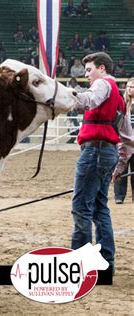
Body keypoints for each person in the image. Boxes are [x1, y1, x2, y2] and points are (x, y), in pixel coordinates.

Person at [71, 52, 134, 274]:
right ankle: (106, 265)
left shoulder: (103, 85)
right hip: (107, 154)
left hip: (94, 153)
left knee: (81, 208)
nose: (87, 75)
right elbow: (128, 139)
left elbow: (88, 99)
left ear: (102, 69)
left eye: (89, 70)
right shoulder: (119, 97)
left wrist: (63, 95)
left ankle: (81, 267)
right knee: (100, 209)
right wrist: (119, 166)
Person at [113, 77, 134, 204]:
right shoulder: (122, 103)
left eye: (133, 87)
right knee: (121, 169)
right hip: (124, 142)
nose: (130, 89)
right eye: (128, 87)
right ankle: (119, 196)